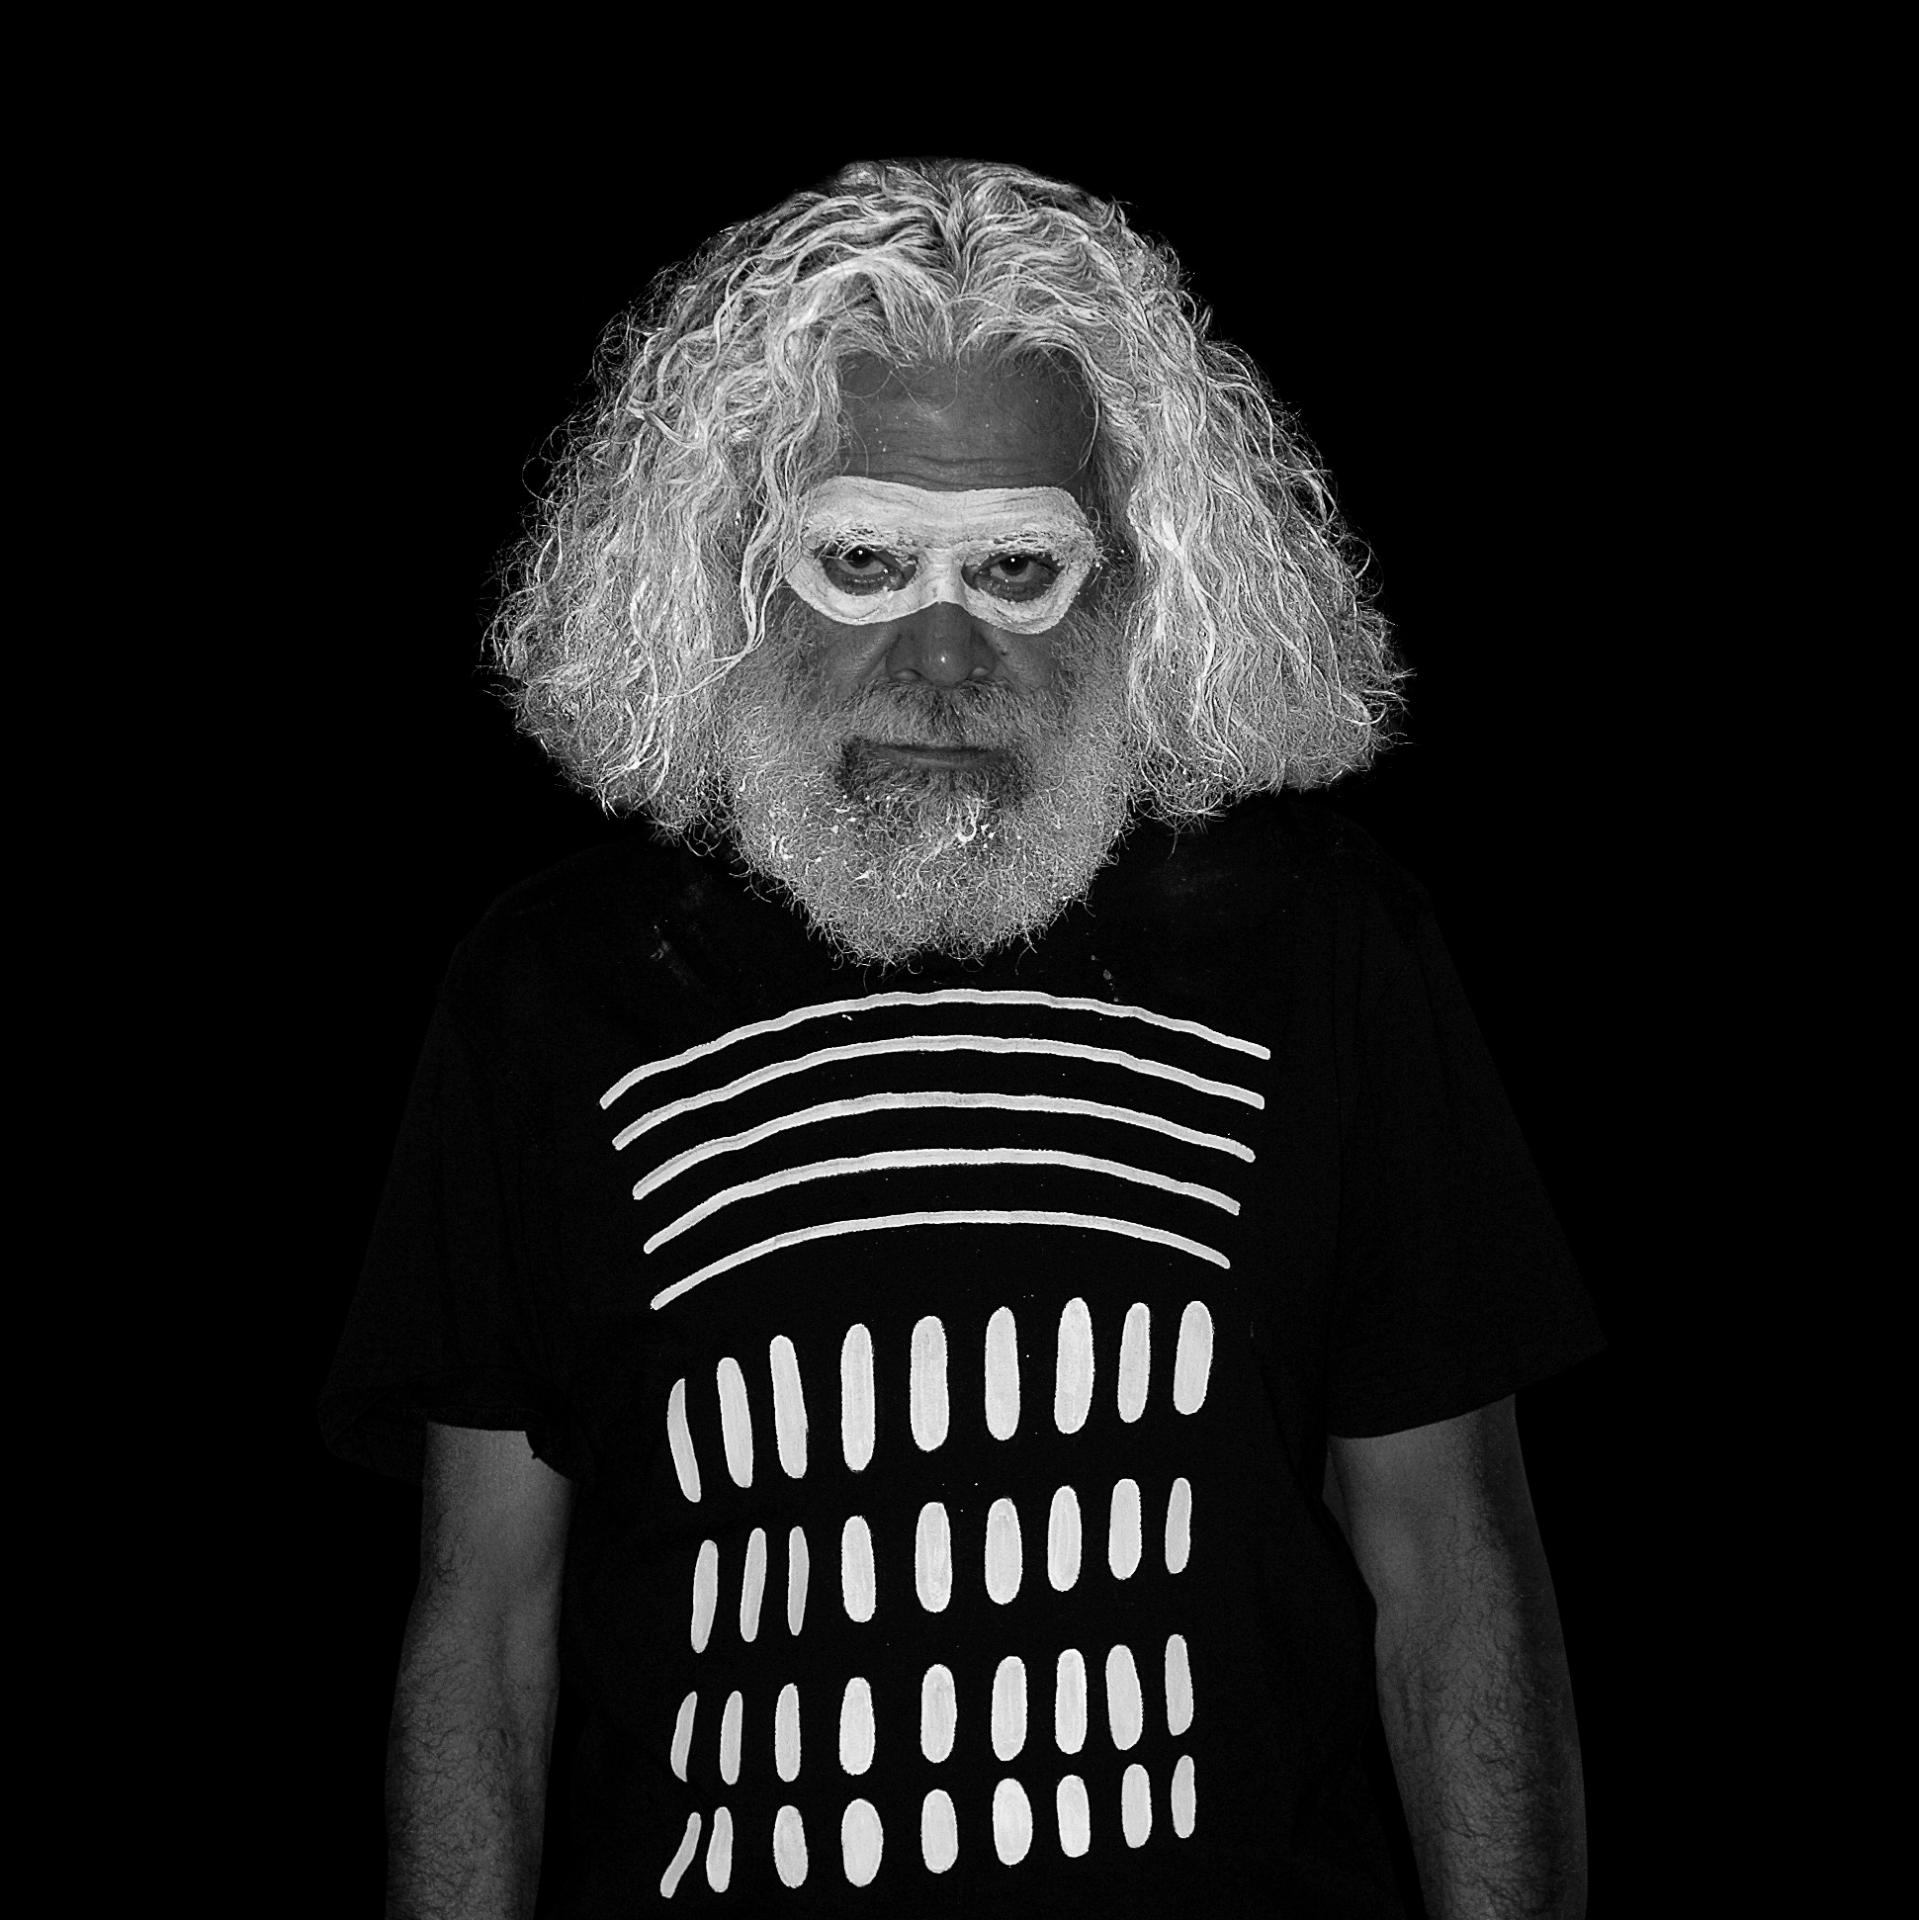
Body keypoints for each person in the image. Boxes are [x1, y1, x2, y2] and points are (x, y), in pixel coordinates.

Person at [320, 157, 1604, 1918]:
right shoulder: (552, 992)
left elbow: (1456, 1570)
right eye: (863, 559)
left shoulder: (1323, 951)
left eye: (1017, 565)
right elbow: (485, 1625)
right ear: (731, 566)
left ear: (1133, 577)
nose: (943, 652)